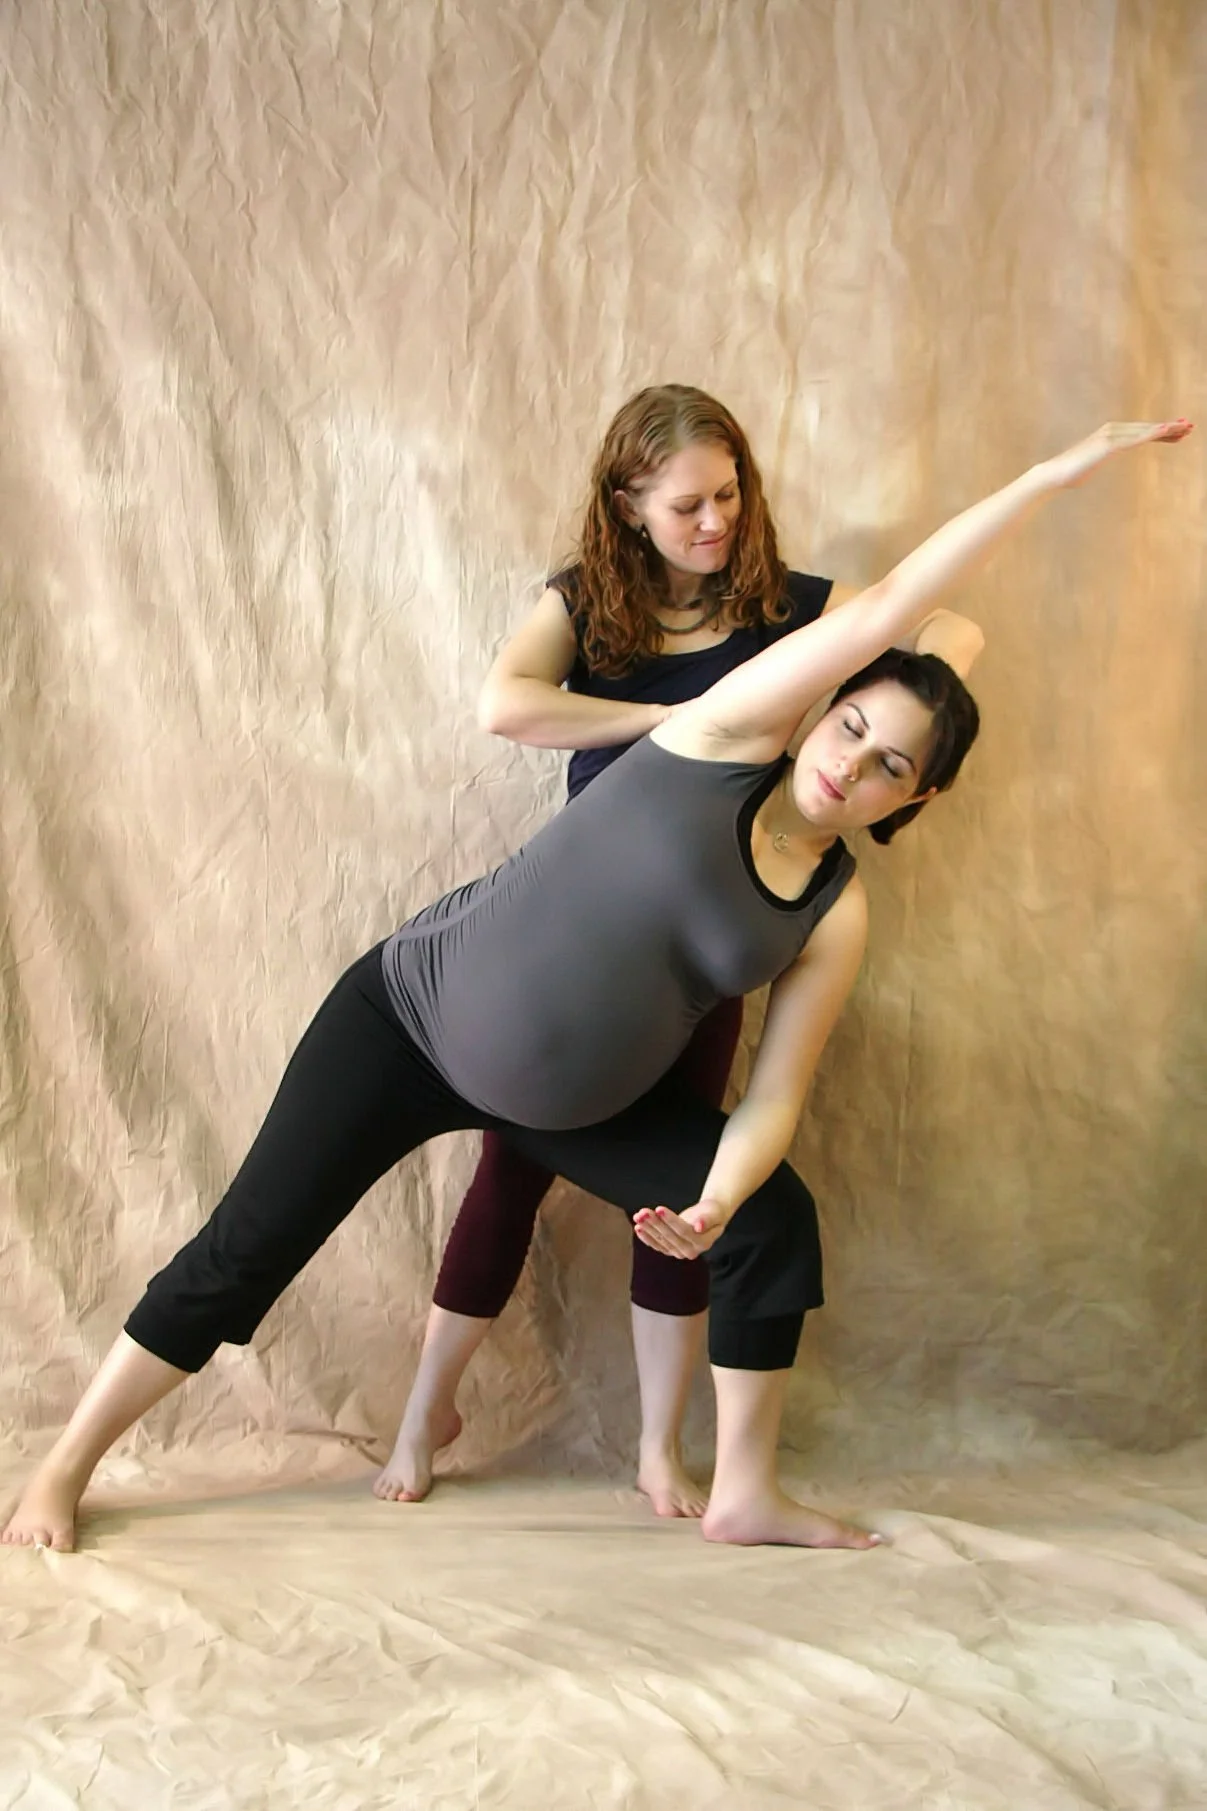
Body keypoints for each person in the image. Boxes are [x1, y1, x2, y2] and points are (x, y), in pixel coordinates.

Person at [2, 417, 1189, 1556]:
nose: (851, 767)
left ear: (911, 800)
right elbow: (895, 612)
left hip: (586, 1106)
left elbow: (774, 1095)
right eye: (850, 730)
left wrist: (716, 1200)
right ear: (817, 706)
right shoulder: (723, 731)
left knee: (772, 1216)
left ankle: (744, 1489)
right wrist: (1049, 478)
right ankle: (70, 1461)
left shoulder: (835, 912)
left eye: (890, 768)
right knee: (244, 1248)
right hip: (411, 1022)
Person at [378, 383, 985, 1516]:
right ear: (626, 507)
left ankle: (661, 1449)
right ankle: (426, 1411)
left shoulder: (790, 603)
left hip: (710, 945)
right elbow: (505, 704)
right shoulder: (586, 606)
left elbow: (945, 632)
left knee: (687, 1192)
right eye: (688, 505)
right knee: (509, 1173)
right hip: (569, 947)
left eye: (730, 494)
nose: (717, 523)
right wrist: (669, 721)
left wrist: (864, 709)